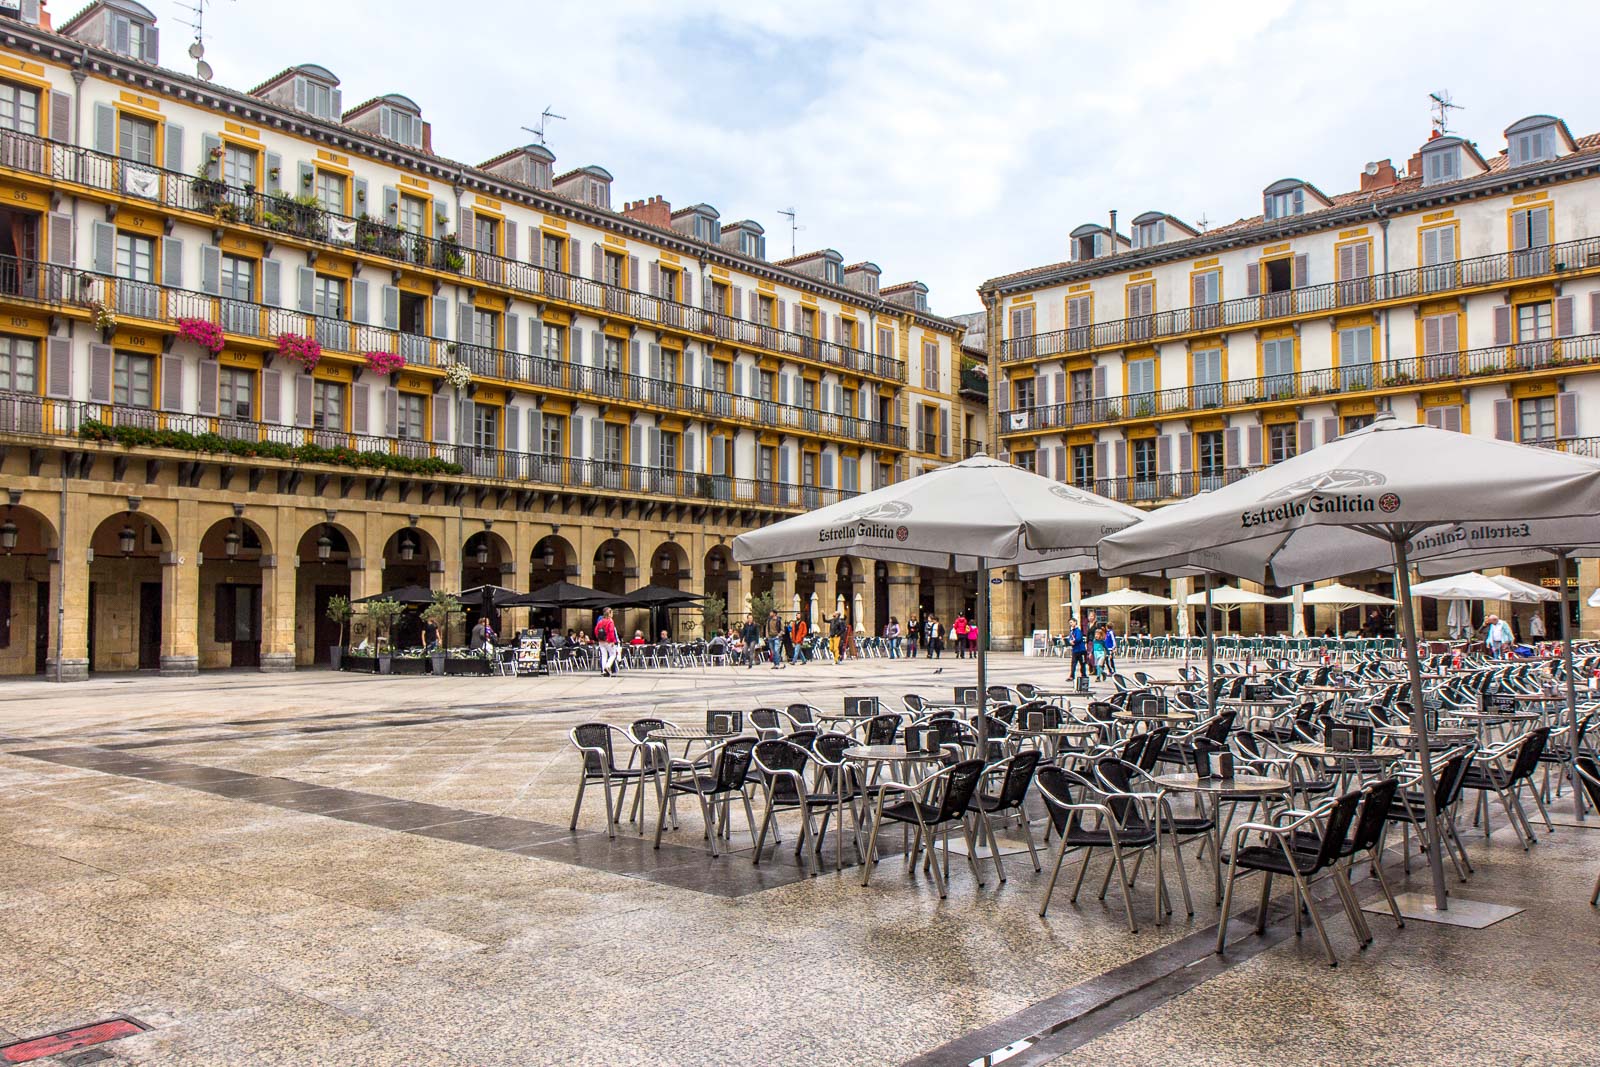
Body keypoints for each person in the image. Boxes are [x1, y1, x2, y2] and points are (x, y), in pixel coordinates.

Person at [593, 607, 620, 676]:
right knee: (613, 654)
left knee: (604, 655)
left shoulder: (600, 621)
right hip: (608, 641)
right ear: (609, 613)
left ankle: (603, 670)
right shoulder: (610, 621)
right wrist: (612, 641)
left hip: (601, 641)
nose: (612, 614)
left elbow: (596, 630)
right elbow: (611, 631)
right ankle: (607, 666)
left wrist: (598, 637)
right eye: (612, 613)